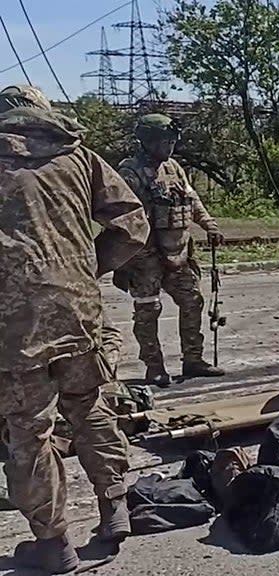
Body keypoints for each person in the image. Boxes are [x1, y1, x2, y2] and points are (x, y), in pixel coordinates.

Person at [0, 85, 150, 573]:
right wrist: (87, 269)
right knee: (89, 406)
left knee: (30, 429)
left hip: (15, 323)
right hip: (79, 310)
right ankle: (115, 508)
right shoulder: (79, 155)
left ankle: (53, 543)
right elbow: (132, 225)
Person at [113, 113, 226, 387]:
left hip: (178, 252)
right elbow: (122, 214)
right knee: (148, 309)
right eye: (165, 141)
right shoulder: (131, 172)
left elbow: (191, 198)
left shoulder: (174, 167)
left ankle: (193, 360)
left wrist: (209, 225)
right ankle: (154, 366)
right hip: (145, 256)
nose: (170, 147)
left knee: (192, 301)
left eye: (172, 141)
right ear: (148, 141)